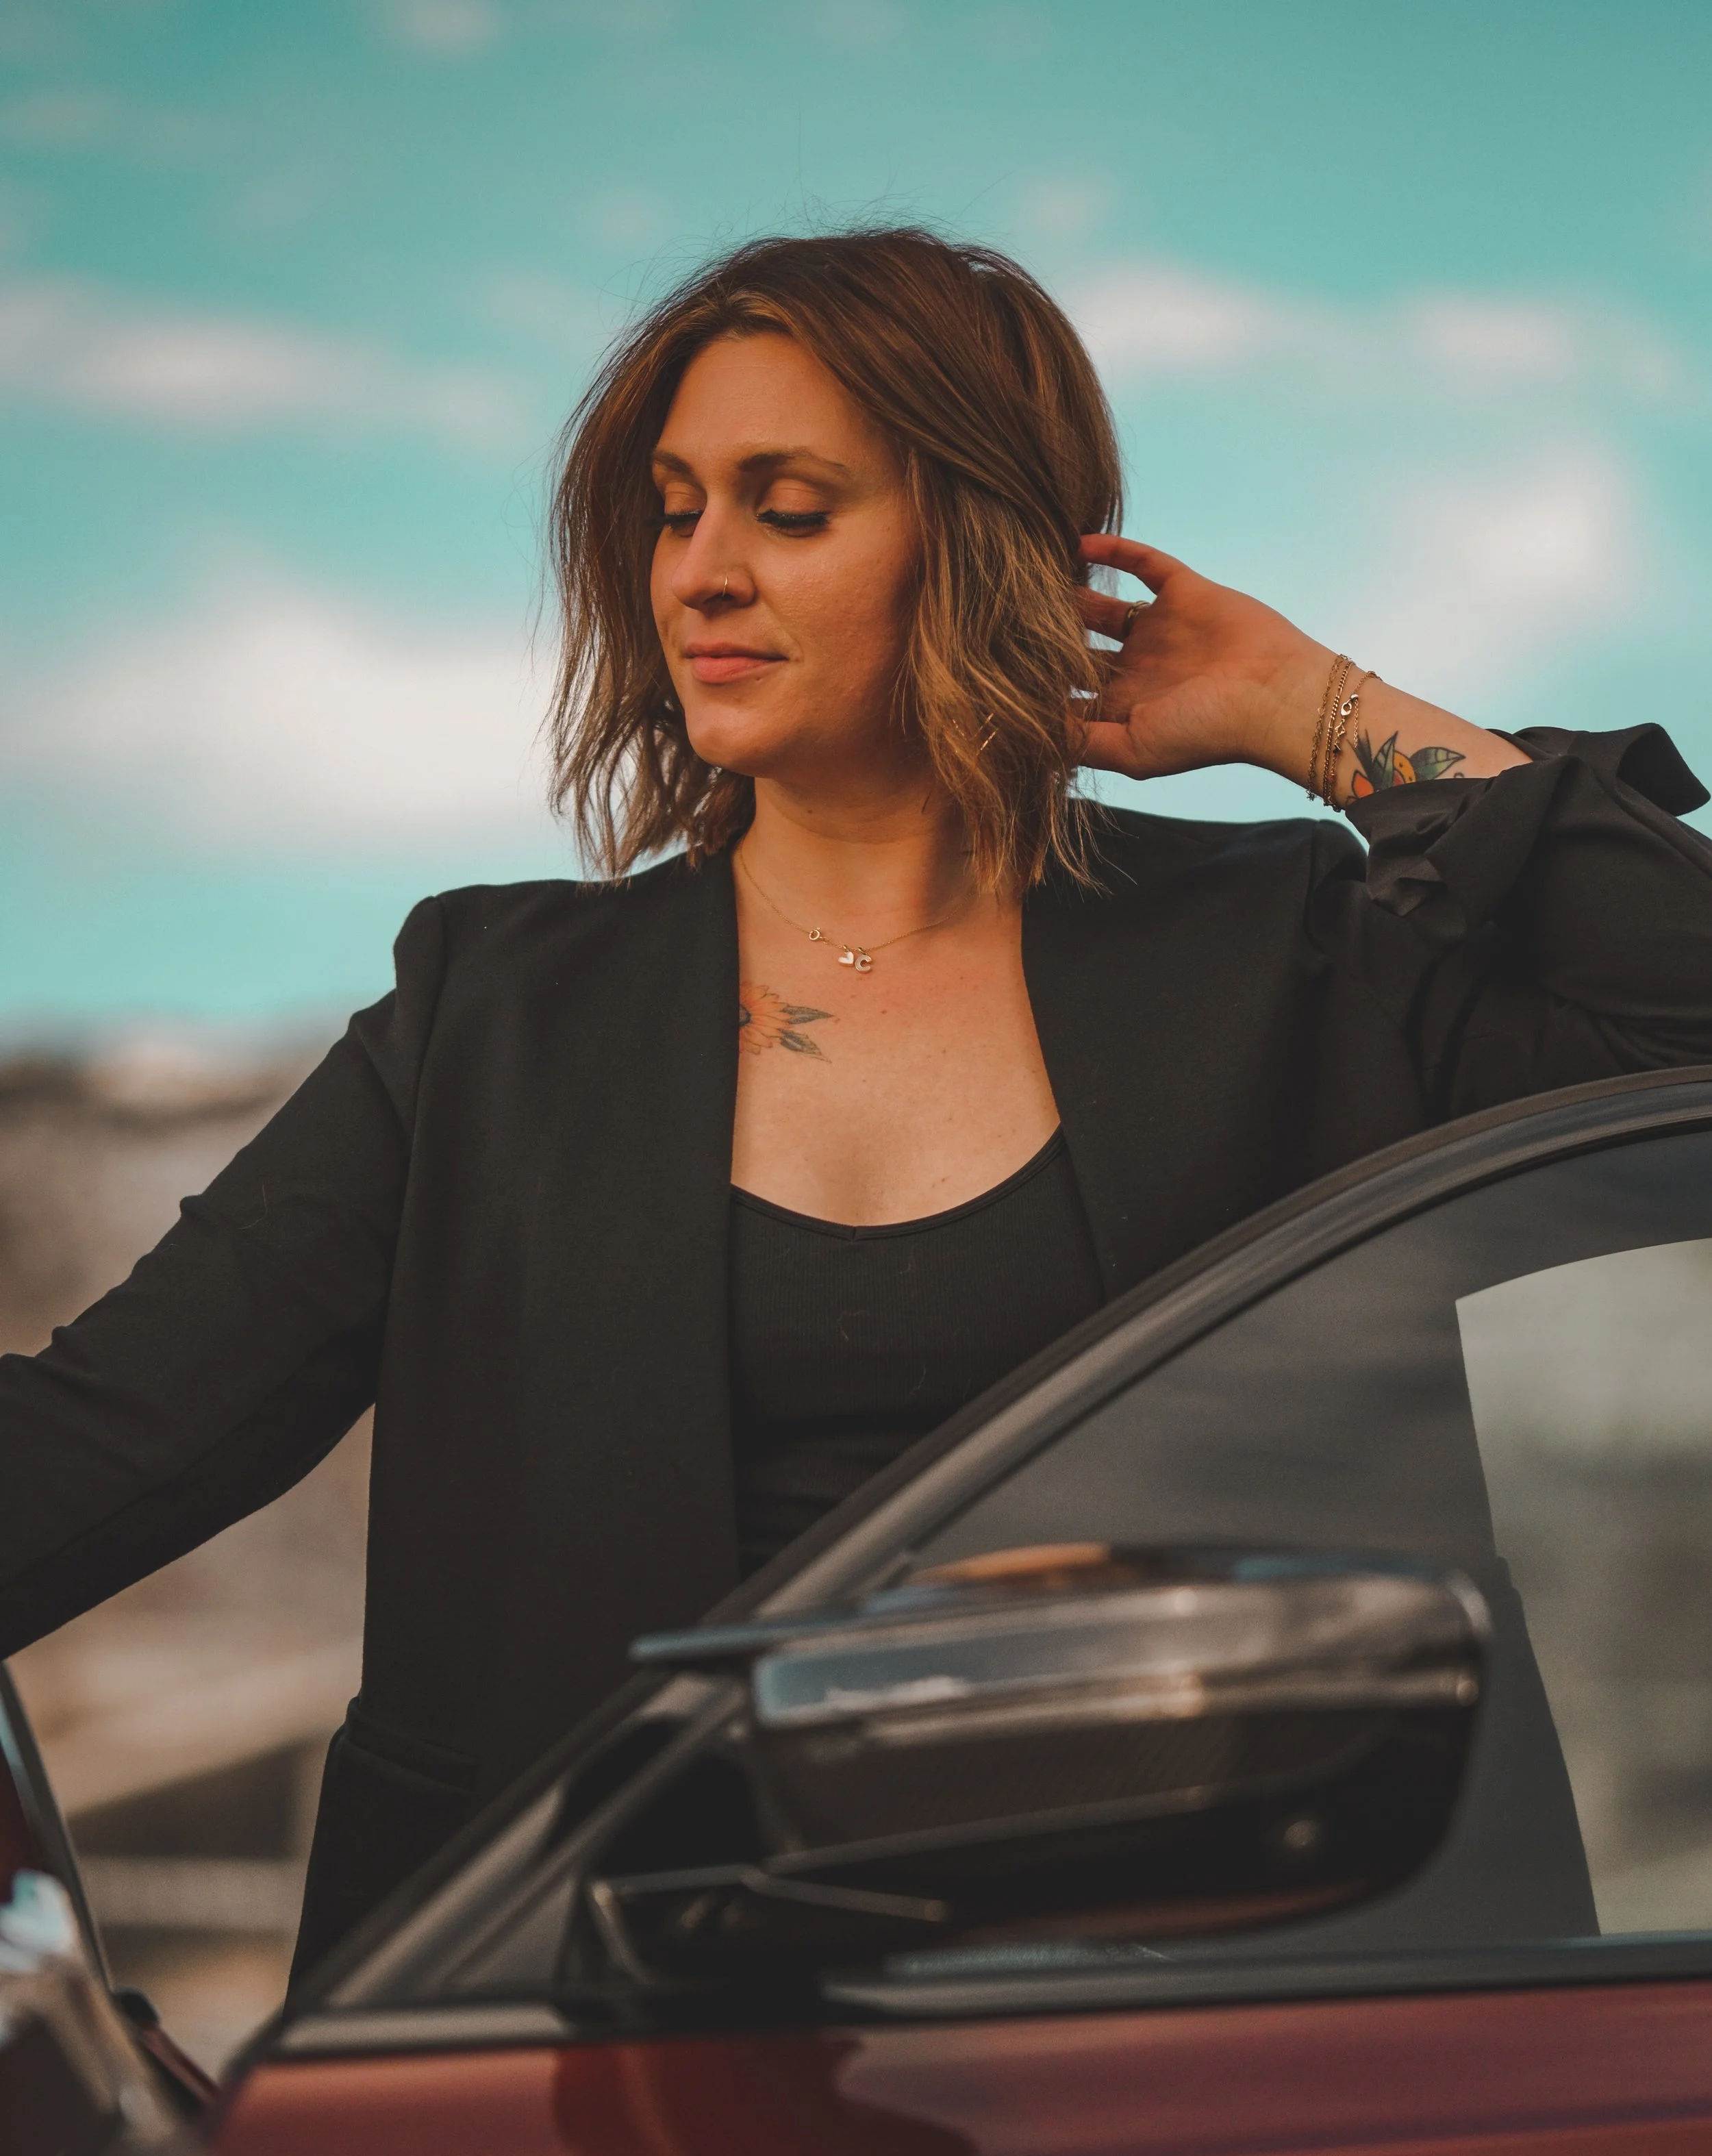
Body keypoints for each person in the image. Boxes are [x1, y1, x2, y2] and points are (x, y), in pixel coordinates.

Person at [2, 225, 1709, 1981]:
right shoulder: (488, 1012)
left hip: (1228, 2066)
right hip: (581, 2081)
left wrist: (1306, 708)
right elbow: (105, 1440)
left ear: (973, 543)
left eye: (787, 507)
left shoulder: (1295, 956)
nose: (699, 573)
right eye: (675, 509)